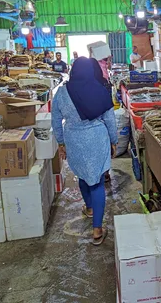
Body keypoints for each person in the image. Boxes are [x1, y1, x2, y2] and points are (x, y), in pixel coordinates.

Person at [52, 57, 117, 245]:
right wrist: (113, 141)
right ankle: (97, 229)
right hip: (97, 138)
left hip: (74, 139)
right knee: (96, 181)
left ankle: (89, 208)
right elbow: (110, 119)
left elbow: (56, 119)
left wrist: (61, 142)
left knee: (82, 176)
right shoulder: (100, 90)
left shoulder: (62, 92)